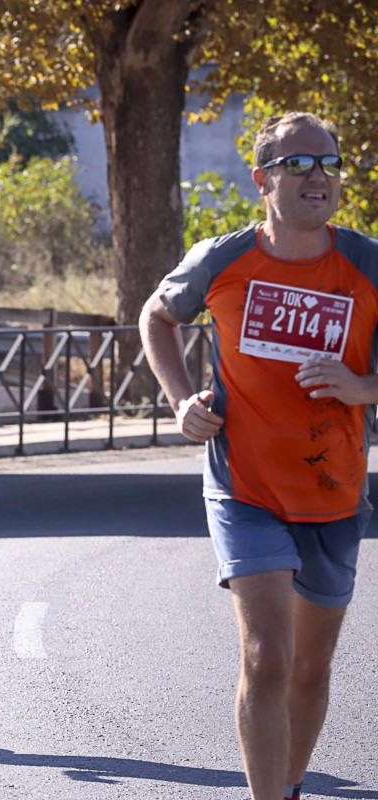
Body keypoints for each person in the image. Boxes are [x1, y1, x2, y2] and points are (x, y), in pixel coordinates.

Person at [139, 112, 378, 800]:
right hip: (244, 487)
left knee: (309, 667)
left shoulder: (367, 264)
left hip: (335, 492)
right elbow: (157, 314)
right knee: (266, 656)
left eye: (329, 163)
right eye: (299, 164)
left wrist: (361, 385)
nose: (319, 176)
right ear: (262, 179)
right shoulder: (222, 258)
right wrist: (182, 400)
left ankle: (291, 782)